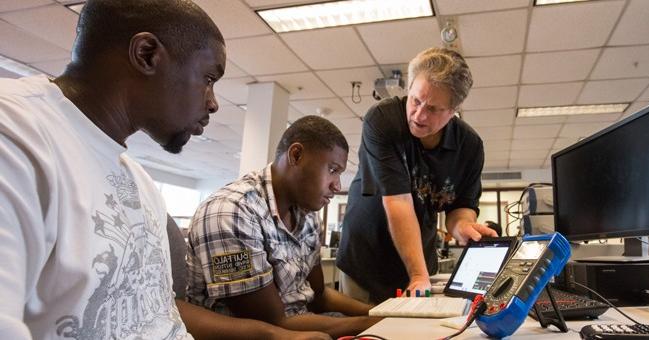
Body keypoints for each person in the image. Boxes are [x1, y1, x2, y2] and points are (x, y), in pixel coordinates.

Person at [0, 1, 328, 339]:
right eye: (209, 78)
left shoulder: (138, 182)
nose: (213, 101)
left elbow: (158, 311)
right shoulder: (16, 133)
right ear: (146, 54)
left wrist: (272, 336)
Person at [185, 116, 381, 338]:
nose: (337, 185)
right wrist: (372, 323)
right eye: (333, 170)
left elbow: (319, 296)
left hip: (301, 329)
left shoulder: (308, 216)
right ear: (296, 155)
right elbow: (274, 322)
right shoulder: (233, 211)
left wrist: (380, 313)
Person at [335, 47, 498, 304]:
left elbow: (460, 208)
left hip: (417, 259)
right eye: (415, 100)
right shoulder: (383, 120)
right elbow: (398, 201)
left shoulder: (469, 146)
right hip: (366, 258)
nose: (419, 116)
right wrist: (419, 275)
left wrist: (462, 226)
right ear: (409, 87)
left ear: (454, 109)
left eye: (433, 109)